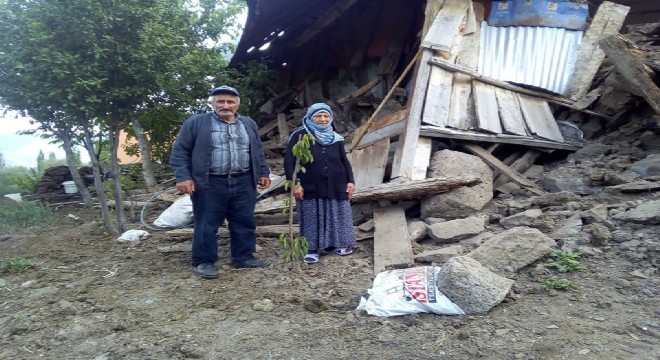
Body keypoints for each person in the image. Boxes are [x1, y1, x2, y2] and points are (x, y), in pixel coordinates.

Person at [170, 85, 272, 279]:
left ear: (237, 104)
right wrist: (183, 176)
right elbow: (180, 151)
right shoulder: (196, 122)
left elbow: (257, 150)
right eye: (221, 101)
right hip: (209, 182)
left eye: (230, 101)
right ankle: (204, 261)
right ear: (213, 103)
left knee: (244, 220)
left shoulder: (248, 123)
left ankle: (243, 257)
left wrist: (263, 172)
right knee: (206, 223)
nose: (226, 105)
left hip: (243, 181)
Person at [284, 103, 356, 264]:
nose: (323, 119)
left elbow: (344, 161)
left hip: (336, 183)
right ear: (310, 118)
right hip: (310, 183)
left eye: (326, 116)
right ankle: (311, 249)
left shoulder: (335, 137)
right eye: (318, 116)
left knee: (336, 214)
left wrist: (350, 180)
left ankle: (335, 245)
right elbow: (289, 162)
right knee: (311, 215)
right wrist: (295, 184)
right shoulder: (299, 136)